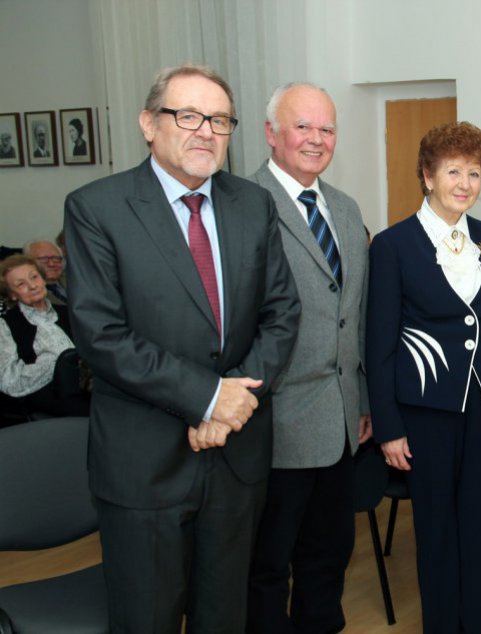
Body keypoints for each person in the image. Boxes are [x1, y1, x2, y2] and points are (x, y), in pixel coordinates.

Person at [63, 63, 301, 632]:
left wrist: (232, 404)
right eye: (187, 115)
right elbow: (101, 333)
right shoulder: (97, 208)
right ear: (149, 123)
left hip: (235, 460)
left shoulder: (252, 204)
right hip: (144, 464)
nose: (206, 131)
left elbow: (282, 313)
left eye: (220, 120)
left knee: (226, 617)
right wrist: (207, 397)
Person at [367, 121, 481, 632]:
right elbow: (378, 342)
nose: (465, 183)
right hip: (424, 416)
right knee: (438, 534)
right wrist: (387, 425)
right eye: (453, 171)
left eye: (475, 172)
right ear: (427, 175)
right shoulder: (393, 245)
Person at [245, 82, 371, 633]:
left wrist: (363, 399)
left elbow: (356, 316)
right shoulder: (240, 205)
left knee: (328, 553)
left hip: (341, 419)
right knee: (267, 562)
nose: (317, 140)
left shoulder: (344, 209)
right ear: (271, 133)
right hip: (273, 420)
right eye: (303, 127)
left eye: (327, 128)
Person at [0, 254, 88, 416]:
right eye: (21, 284)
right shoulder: (6, 325)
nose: (32, 286)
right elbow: (8, 380)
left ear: (43, 279)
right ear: (12, 295)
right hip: (44, 392)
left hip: (84, 383)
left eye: (34, 277)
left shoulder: (68, 311)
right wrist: (58, 363)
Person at [23, 240, 67, 304]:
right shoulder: (26, 291)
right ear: (28, 262)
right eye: (43, 259)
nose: (51, 264)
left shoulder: (75, 280)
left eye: (56, 258)